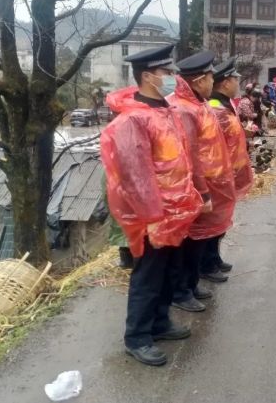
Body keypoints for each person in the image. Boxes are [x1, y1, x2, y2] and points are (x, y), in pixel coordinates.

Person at [100, 45, 203, 366]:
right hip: (152, 217)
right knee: (147, 277)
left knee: (166, 273)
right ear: (147, 76)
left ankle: (159, 323)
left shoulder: (165, 111)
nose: (172, 78)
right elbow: (136, 177)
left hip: (174, 214)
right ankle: (137, 337)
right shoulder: (133, 120)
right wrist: (152, 218)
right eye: (166, 73)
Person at [168, 51, 237, 313]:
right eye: (210, 77)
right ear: (198, 81)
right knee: (189, 242)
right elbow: (191, 154)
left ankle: (191, 283)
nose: (213, 81)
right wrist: (202, 191)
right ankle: (181, 290)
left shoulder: (199, 104)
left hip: (207, 183)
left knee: (198, 240)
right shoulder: (184, 109)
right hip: (194, 187)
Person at [207, 58, 254, 276]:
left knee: (220, 220)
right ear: (225, 83)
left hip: (227, 172)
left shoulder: (226, 103)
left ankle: (214, 258)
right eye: (236, 79)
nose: (238, 83)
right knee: (211, 221)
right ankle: (206, 264)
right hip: (216, 173)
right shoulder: (215, 107)